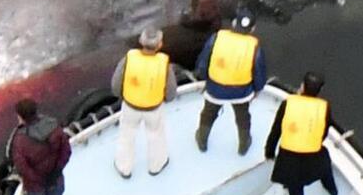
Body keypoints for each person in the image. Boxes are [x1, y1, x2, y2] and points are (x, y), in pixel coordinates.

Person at [262, 72, 338, 195]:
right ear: (320, 91)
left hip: (289, 160)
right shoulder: (324, 107)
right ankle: (332, 189)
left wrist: (269, 151)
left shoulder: (288, 103)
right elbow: (324, 131)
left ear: (302, 86)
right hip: (313, 157)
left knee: (296, 194)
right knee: (325, 161)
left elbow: (276, 131)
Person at [193, 12, 266, 154]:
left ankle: (202, 140)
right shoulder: (255, 47)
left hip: (215, 88)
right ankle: (244, 145)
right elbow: (258, 71)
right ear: (252, 29)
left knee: (208, 113)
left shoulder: (216, 38)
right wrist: (258, 89)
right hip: (241, 92)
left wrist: (204, 79)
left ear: (233, 24)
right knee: (243, 116)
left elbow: (203, 62)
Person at [111, 27, 177, 177]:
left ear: (141, 41)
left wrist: (121, 96)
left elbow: (116, 83)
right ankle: (156, 166)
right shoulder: (164, 63)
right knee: (156, 136)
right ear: (159, 44)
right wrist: (166, 99)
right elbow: (171, 90)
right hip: (153, 109)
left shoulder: (129, 58)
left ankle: (124, 168)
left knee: (126, 136)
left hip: (130, 107)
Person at [7, 97, 70, 195]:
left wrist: (38, 180)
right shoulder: (54, 127)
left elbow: (22, 167)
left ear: (21, 116)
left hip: (35, 186)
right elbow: (66, 151)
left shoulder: (20, 141)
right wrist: (57, 169)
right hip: (55, 178)